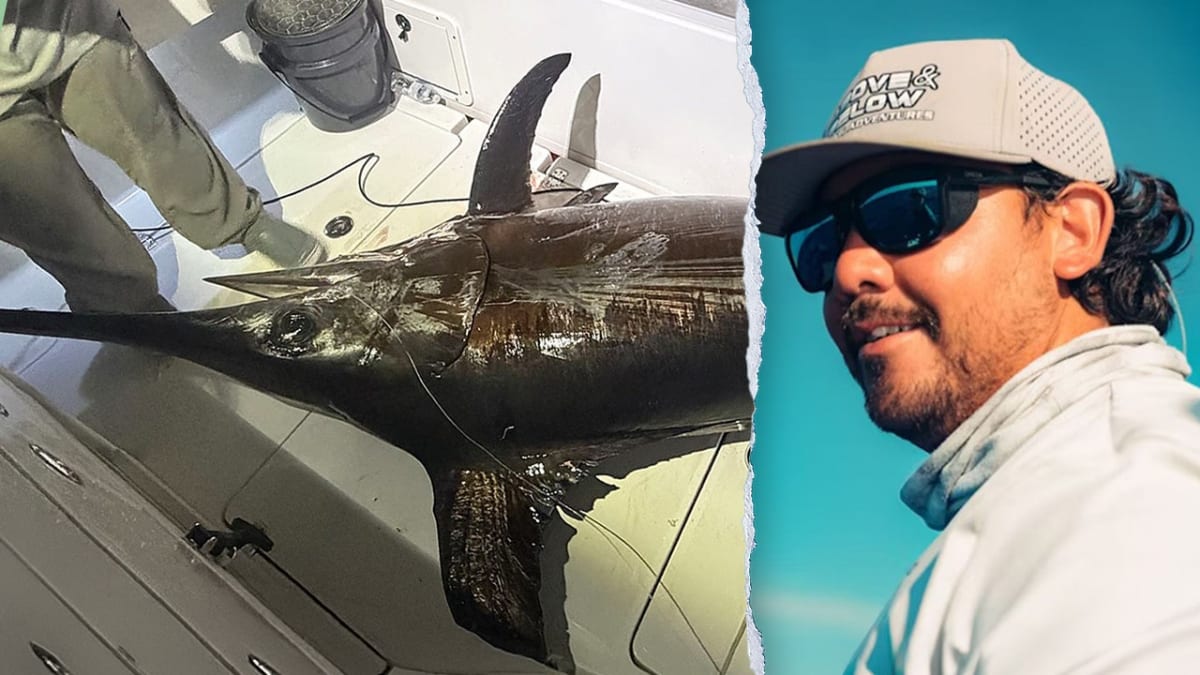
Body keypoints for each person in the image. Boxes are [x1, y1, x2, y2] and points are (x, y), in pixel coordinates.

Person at [755, 38, 1200, 673]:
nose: (848, 272)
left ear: (1073, 232)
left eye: (909, 210)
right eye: (822, 242)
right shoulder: (1040, 506)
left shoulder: (1128, 504)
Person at [0, 0, 327, 314]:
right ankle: (122, 305)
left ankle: (240, 222)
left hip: (67, 21)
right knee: (49, 215)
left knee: (156, 134)